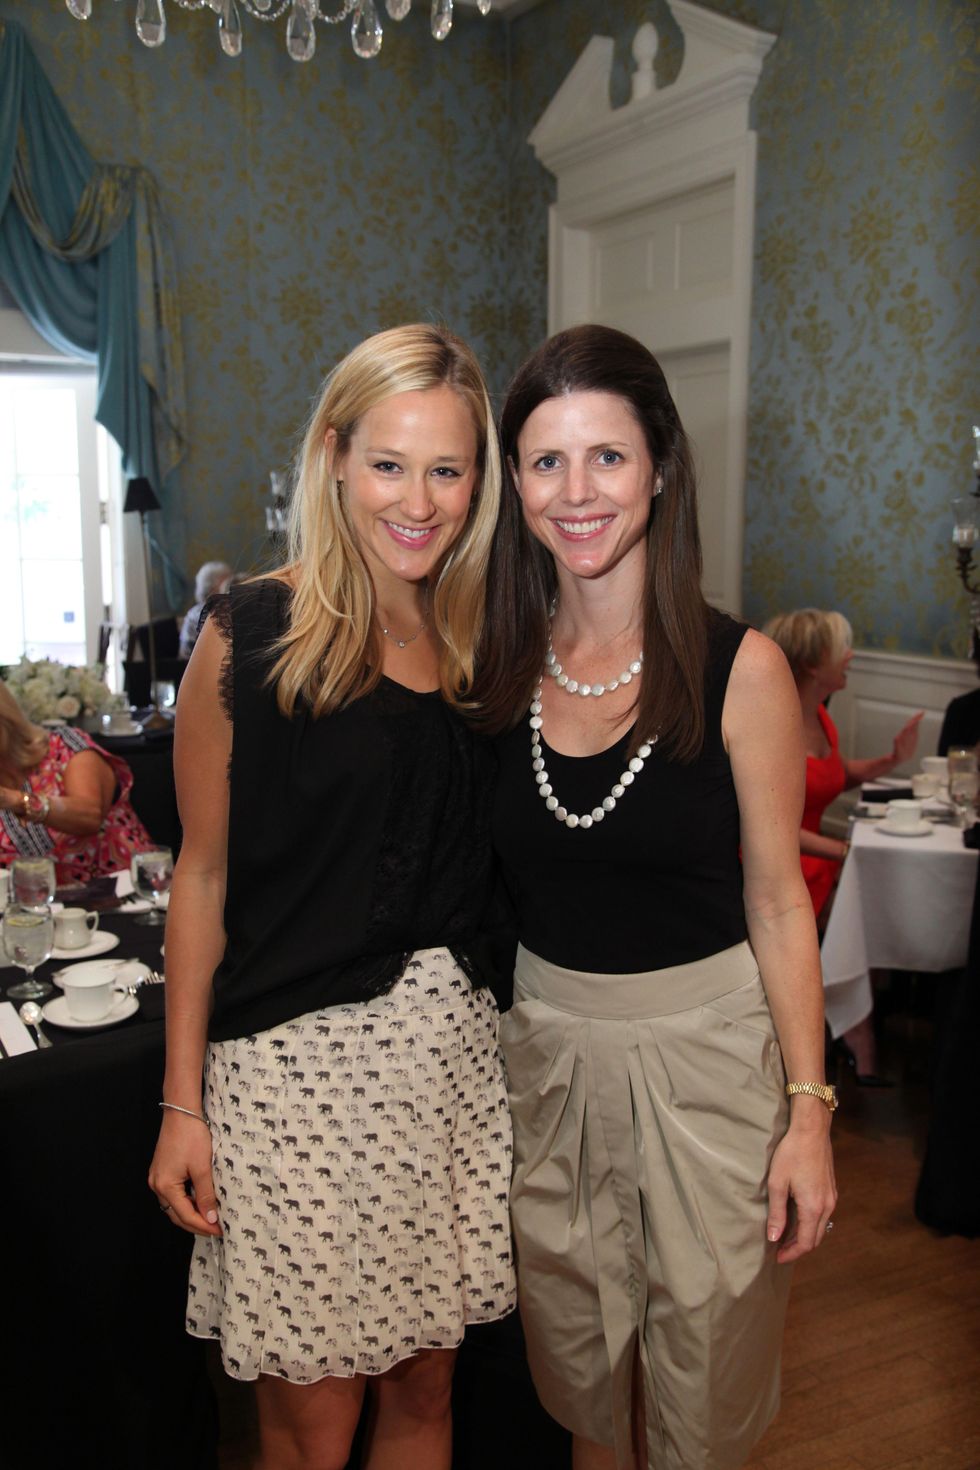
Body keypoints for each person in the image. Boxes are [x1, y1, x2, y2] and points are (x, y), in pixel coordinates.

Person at [148, 324, 514, 1470]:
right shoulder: (249, 633)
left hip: (449, 1067)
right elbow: (198, 879)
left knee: (428, 1394)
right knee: (311, 1428)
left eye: (446, 468)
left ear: (476, 482)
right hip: (294, 1077)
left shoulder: (475, 636)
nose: (417, 498)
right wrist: (179, 1105)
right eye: (389, 463)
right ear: (334, 458)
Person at [473, 325, 837, 1470]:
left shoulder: (743, 671)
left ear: (660, 465)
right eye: (543, 461)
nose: (574, 493)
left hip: (711, 1070)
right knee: (584, 1387)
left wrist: (811, 1114)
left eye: (606, 457)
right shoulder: (493, 668)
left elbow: (779, 903)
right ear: (513, 481)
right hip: (549, 1064)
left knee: (701, 1391)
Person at [763, 608, 922, 1082]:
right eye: (842, 649)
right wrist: (843, 852)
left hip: (816, 863)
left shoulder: (818, 715)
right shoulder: (779, 722)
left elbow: (835, 773)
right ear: (814, 666)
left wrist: (892, 760)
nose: (851, 656)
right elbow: (772, 828)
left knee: (871, 911)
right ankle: (848, 1038)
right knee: (868, 910)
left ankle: (853, 1031)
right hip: (781, 868)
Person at [0, 680, 153, 883]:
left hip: (127, 897)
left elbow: (89, 816)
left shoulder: (65, 747)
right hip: (32, 910)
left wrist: (15, 800)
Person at [179, 560, 232, 659]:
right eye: (226, 583)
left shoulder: (224, 609)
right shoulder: (198, 615)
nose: (230, 587)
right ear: (211, 588)